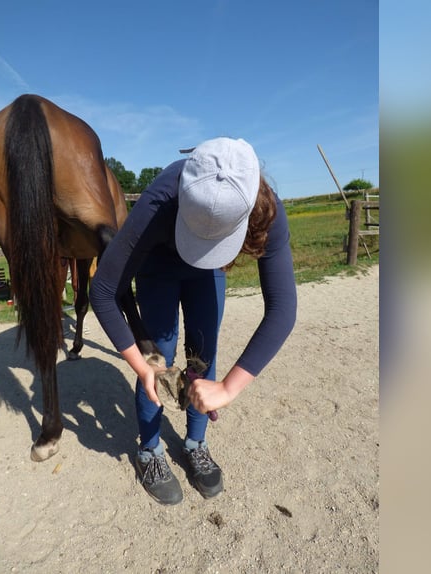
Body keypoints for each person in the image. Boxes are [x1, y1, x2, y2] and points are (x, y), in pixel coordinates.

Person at [89, 137, 297, 505]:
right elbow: (103, 289)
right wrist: (142, 366)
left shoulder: (267, 209)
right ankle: (149, 451)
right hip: (159, 267)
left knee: (204, 352)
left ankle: (195, 443)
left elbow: (282, 307)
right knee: (160, 358)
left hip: (208, 274)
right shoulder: (160, 199)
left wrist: (229, 387)